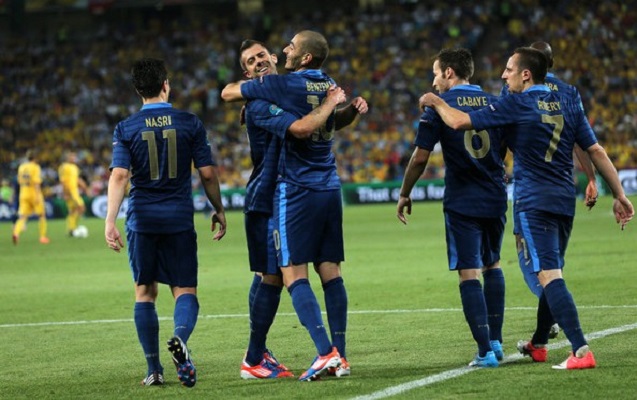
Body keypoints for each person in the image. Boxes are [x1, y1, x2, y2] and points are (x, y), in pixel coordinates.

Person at [420, 47, 634, 370]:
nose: (503, 76)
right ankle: (540, 342)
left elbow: (460, 121)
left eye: (509, 69)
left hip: (534, 202)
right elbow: (595, 149)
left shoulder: (516, 103)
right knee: (552, 271)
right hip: (565, 200)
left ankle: (580, 350)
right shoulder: (568, 99)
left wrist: (435, 101)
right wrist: (618, 194)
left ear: (526, 74)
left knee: (547, 275)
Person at [221, 30, 368, 381]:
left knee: (281, 274)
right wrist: (333, 103)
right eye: (250, 61)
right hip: (268, 196)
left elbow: (322, 120)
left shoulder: (290, 88)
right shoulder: (264, 100)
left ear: (274, 58)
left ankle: (265, 357)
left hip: (293, 192)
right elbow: (301, 125)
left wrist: (347, 110)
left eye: (262, 55)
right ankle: (259, 355)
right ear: (247, 73)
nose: (259, 61)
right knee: (270, 274)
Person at [104, 58, 227, 387]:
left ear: (137, 90)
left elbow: (119, 176)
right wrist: (218, 208)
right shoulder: (190, 122)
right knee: (184, 290)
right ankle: (180, 339)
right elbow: (207, 173)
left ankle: (154, 370)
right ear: (166, 85)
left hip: (142, 219)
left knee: (145, 292)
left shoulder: (126, 128)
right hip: (178, 218)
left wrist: (110, 220)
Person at [397, 48, 507, 368]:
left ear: (449, 72)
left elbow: (421, 157)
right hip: (495, 196)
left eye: (436, 73)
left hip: (462, 200)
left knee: (468, 270)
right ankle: (496, 341)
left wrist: (405, 192)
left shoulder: (438, 106)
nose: (434, 81)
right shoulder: (495, 102)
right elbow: (504, 148)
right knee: (493, 264)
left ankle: (485, 352)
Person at [502, 42, 598, 340]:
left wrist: (498, 166)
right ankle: (540, 339)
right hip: (562, 189)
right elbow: (582, 142)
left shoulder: (516, 92)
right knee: (552, 263)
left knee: (537, 263)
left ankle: (561, 319)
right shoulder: (568, 93)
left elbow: (502, 130)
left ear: (528, 70)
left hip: (531, 189)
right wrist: (591, 178)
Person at [12, 151, 49, 245]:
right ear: (35, 158)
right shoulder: (35, 167)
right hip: (33, 193)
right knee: (42, 215)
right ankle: (42, 237)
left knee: (23, 217)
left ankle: (16, 233)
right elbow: (36, 183)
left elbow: (19, 181)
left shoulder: (21, 167)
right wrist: (37, 196)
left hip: (23, 193)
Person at [58, 151, 87, 237]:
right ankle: (72, 228)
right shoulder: (63, 167)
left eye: (74, 156)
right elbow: (63, 181)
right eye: (72, 156)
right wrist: (65, 193)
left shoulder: (75, 167)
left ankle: (72, 229)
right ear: (67, 158)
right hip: (69, 192)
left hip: (75, 191)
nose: (74, 158)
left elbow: (77, 179)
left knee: (73, 210)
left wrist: (84, 186)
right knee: (81, 208)